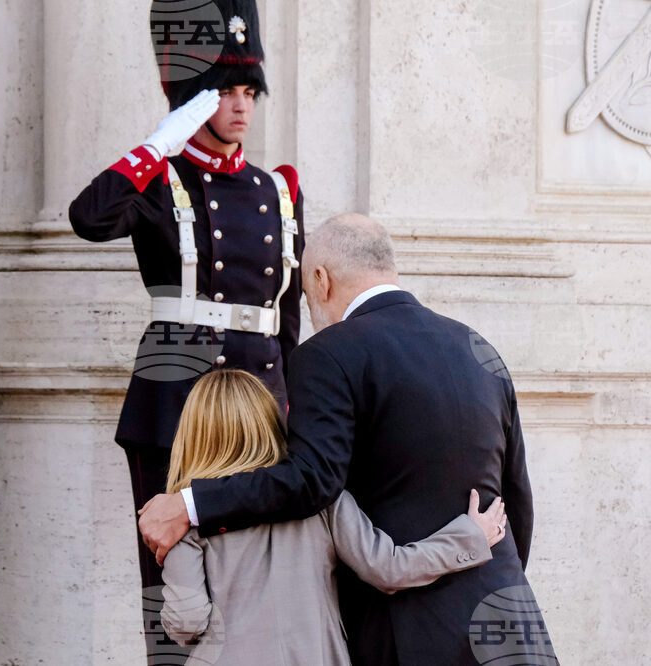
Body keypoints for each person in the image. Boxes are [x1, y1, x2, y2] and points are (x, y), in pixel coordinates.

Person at [140, 215, 553, 665]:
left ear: (320, 279)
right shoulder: (477, 347)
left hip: (404, 634)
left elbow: (313, 479)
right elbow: (517, 499)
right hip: (508, 619)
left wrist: (190, 504)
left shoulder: (328, 353)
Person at [68, 2, 304, 660]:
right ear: (192, 96)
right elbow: (88, 217)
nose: (239, 107)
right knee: (172, 599)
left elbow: (287, 321)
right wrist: (160, 141)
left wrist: (298, 413)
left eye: (247, 91)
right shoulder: (157, 179)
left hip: (257, 412)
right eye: (224, 91)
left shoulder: (277, 191)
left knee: (254, 589)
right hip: (173, 406)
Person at [159, 369, 507, 665]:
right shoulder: (321, 499)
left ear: (193, 436)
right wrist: (468, 537)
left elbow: (188, 620)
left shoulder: (183, 520)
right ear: (271, 422)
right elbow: (388, 568)